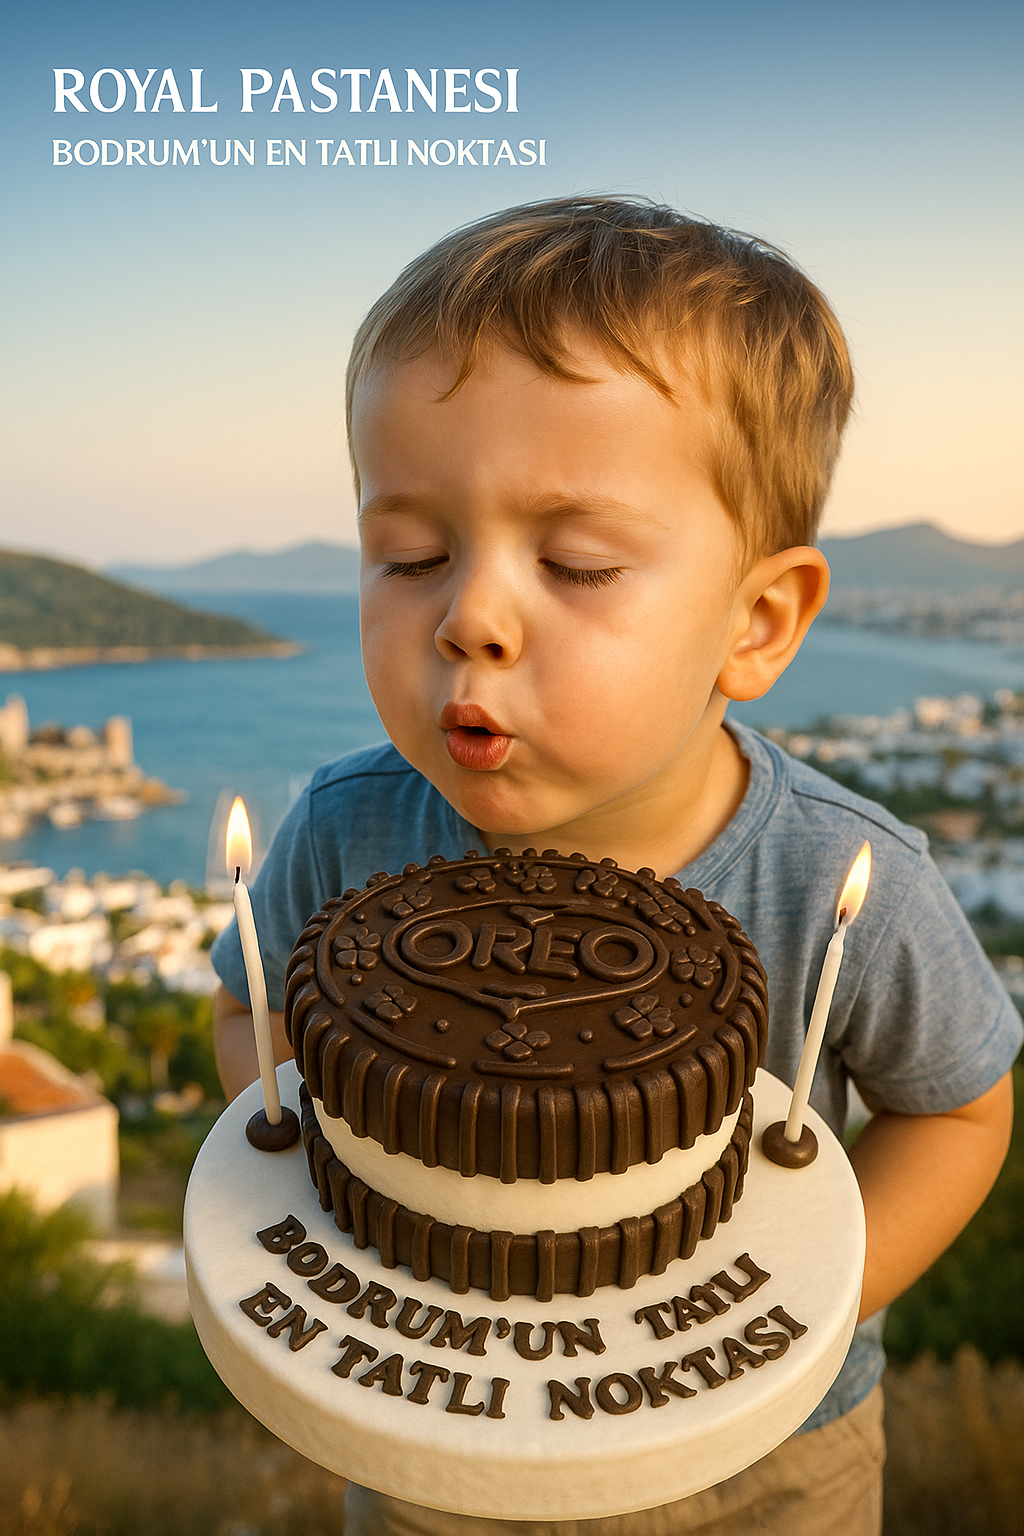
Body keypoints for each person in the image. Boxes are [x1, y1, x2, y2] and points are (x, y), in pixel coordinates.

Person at [210, 197, 1019, 1536]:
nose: (468, 615)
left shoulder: (836, 879)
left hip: (769, 1463)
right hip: (435, 1448)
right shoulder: (346, 832)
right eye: (410, 554)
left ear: (755, 622)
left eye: (576, 564)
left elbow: (961, 1109)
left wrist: (798, 1299)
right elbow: (251, 1007)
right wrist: (309, 1142)